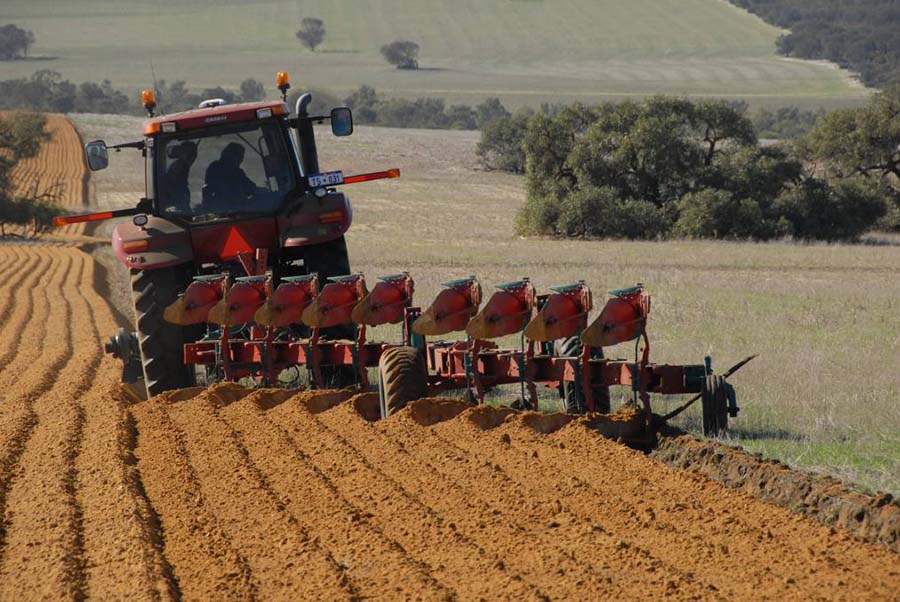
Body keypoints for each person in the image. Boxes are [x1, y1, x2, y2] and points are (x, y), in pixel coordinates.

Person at [203, 142, 259, 210]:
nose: (241, 160)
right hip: (222, 212)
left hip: (240, 212)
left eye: (242, 157)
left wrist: (260, 190)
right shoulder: (216, 167)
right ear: (229, 154)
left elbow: (250, 187)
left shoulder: (238, 172)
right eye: (239, 156)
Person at [162, 141, 197, 213]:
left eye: (194, 155)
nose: (193, 158)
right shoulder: (179, 168)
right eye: (190, 154)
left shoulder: (183, 167)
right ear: (182, 154)